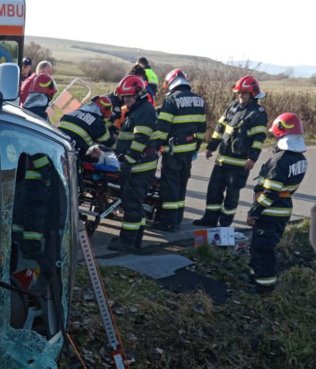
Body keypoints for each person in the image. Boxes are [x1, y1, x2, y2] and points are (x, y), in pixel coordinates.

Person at [246, 112, 308, 293]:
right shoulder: (300, 159)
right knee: (259, 247)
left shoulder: (280, 161)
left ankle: (264, 288)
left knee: (262, 251)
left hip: (269, 213)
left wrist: (254, 212)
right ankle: (254, 277)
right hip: (283, 210)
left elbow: (270, 193)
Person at [195, 75, 267, 227]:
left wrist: (252, 158)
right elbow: (220, 128)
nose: (240, 95)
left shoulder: (258, 113)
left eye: (244, 93)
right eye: (239, 92)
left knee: (231, 196)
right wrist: (211, 147)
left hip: (239, 164)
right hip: (222, 160)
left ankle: (225, 223)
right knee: (214, 191)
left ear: (252, 94)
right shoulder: (232, 107)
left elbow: (259, 139)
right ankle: (210, 219)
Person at [150, 69, 206, 231]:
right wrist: (195, 148)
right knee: (181, 186)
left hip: (172, 152)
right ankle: (177, 219)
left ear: (171, 83)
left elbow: (163, 129)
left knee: (170, 187)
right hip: (188, 152)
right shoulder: (199, 100)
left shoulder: (171, 100)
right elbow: (202, 129)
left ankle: (167, 223)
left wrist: (155, 146)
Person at [108, 75, 158, 251]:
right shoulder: (138, 110)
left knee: (131, 203)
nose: (125, 100)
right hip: (138, 164)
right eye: (124, 97)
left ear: (139, 94)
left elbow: (140, 140)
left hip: (139, 166)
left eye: (128, 97)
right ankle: (136, 239)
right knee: (135, 204)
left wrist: (127, 161)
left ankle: (127, 241)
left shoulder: (144, 111)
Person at [57, 95, 115, 160]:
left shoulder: (72, 113)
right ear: (105, 111)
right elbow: (110, 144)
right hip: (74, 154)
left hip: (55, 144)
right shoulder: (98, 123)